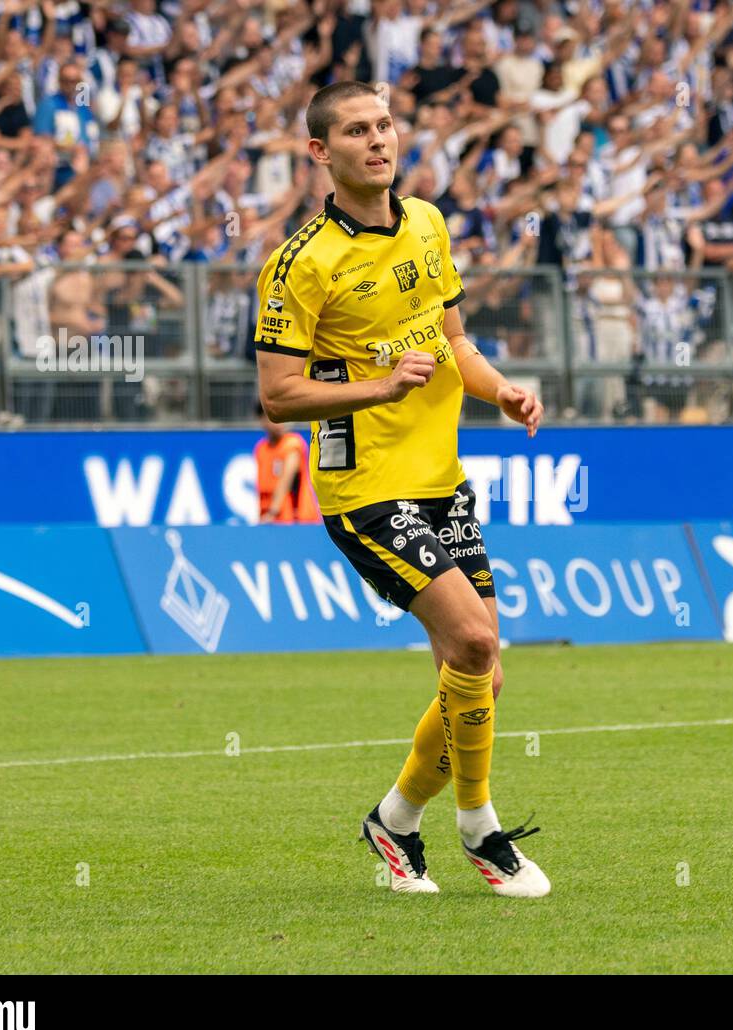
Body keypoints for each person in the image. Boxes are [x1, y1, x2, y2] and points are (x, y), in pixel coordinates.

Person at [254, 80, 549, 898]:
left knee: (480, 675)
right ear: (322, 152)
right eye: (356, 130)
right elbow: (277, 396)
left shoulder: (426, 222)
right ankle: (481, 829)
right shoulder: (300, 263)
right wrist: (377, 390)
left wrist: (502, 391)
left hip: (441, 479)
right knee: (478, 646)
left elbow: (455, 339)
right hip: (367, 490)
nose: (377, 140)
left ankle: (395, 821)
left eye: (384, 124)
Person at [254, 403, 320, 524]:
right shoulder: (261, 449)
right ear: (262, 420)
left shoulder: (292, 444)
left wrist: (273, 512)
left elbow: (286, 479)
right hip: (271, 521)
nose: (280, 421)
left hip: (297, 521)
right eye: (273, 416)